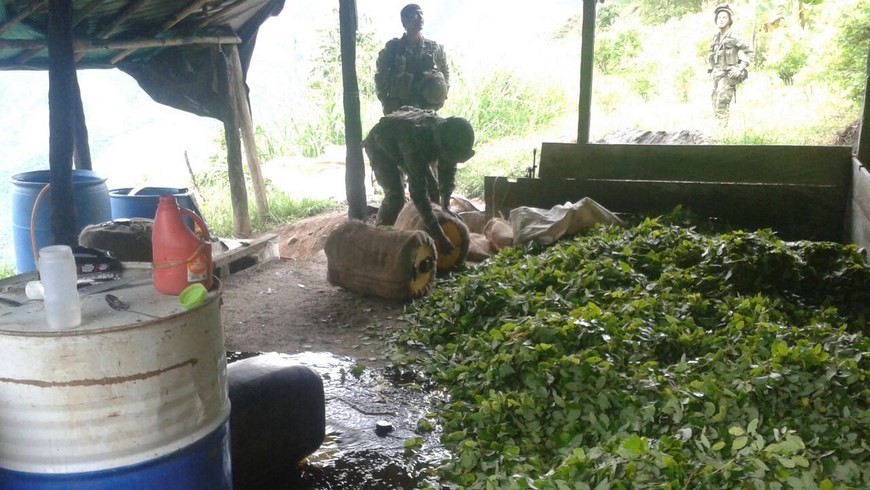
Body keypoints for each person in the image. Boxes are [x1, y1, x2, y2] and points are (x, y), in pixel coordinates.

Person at [363, 107, 475, 253]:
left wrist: (446, 205)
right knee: (395, 196)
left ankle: (430, 229)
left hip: (408, 143)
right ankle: (379, 241)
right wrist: (439, 234)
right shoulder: (415, 144)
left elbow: (449, 167)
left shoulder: (447, 136)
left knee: (433, 189)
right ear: (442, 146)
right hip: (380, 145)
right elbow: (418, 193)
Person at [374, 4, 450, 115]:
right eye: (415, 14)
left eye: (421, 14)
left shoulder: (433, 48)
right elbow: (379, 76)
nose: (420, 17)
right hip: (397, 108)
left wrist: (440, 96)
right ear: (404, 21)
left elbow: (445, 70)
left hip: (425, 109)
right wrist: (385, 102)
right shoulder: (393, 48)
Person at [707, 4, 754, 126]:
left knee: (722, 103)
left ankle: (721, 131)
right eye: (719, 17)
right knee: (714, 101)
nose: (721, 20)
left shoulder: (734, 36)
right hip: (717, 74)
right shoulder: (716, 37)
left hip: (728, 75)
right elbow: (712, 56)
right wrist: (711, 70)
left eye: (724, 17)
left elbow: (750, 52)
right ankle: (719, 129)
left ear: (729, 20)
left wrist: (740, 68)